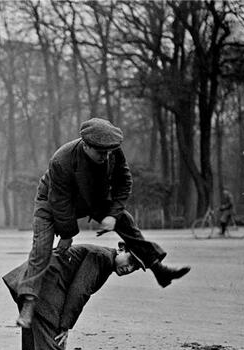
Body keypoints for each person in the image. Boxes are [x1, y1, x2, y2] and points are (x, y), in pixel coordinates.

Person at [17, 117, 190, 327]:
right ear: (86, 145)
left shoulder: (112, 151)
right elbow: (60, 203)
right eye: (101, 152)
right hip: (51, 202)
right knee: (41, 250)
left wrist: (113, 215)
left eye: (109, 152)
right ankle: (28, 302)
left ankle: (158, 269)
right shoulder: (61, 160)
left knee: (125, 220)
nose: (106, 156)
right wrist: (66, 235)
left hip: (91, 198)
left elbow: (124, 182)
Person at [3, 242, 148, 350]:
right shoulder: (100, 257)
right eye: (130, 261)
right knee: (54, 338)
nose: (129, 268)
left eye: (134, 268)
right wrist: (65, 326)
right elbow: (79, 291)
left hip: (31, 281)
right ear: (122, 249)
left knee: (38, 334)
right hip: (42, 286)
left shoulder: (105, 259)